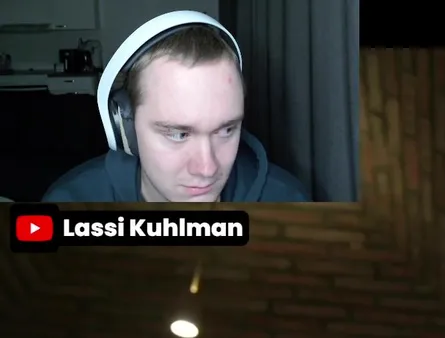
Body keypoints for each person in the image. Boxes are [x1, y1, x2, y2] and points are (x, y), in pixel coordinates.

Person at [44, 23, 308, 203]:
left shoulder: (287, 202)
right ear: (125, 126)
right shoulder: (70, 204)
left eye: (226, 130)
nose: (207, 169)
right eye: (179, 134)